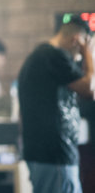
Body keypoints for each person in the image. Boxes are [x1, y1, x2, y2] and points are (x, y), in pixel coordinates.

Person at [18, 15, 94, 193]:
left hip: (48, 155)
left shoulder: (44, 57)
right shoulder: (52, 55)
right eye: (81, 49)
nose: (79, 57)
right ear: (76, 40)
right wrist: (89, 55)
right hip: (54, 155)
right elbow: (90, 89)